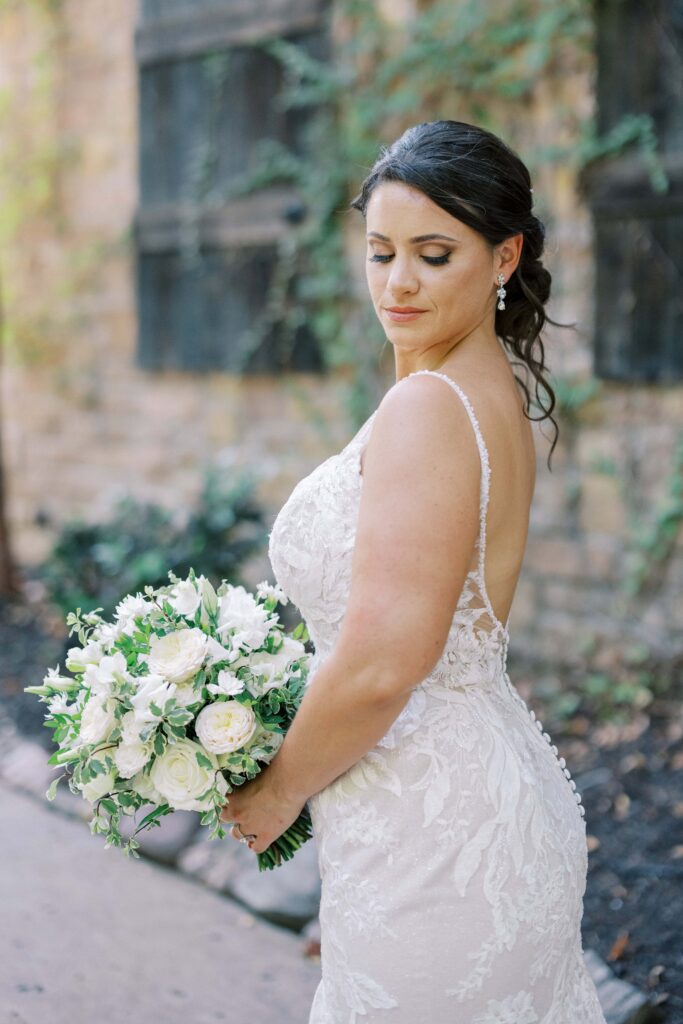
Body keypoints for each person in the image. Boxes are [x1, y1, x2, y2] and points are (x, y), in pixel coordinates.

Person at [219, 120, 606, 1023]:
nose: (396, 283)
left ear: (504, 255)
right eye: (380, 251)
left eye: (433, 255)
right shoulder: (483, 385)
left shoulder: (429, 407)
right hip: (466, 800)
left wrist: (276, 791)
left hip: (433, 839)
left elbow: (388, 658)